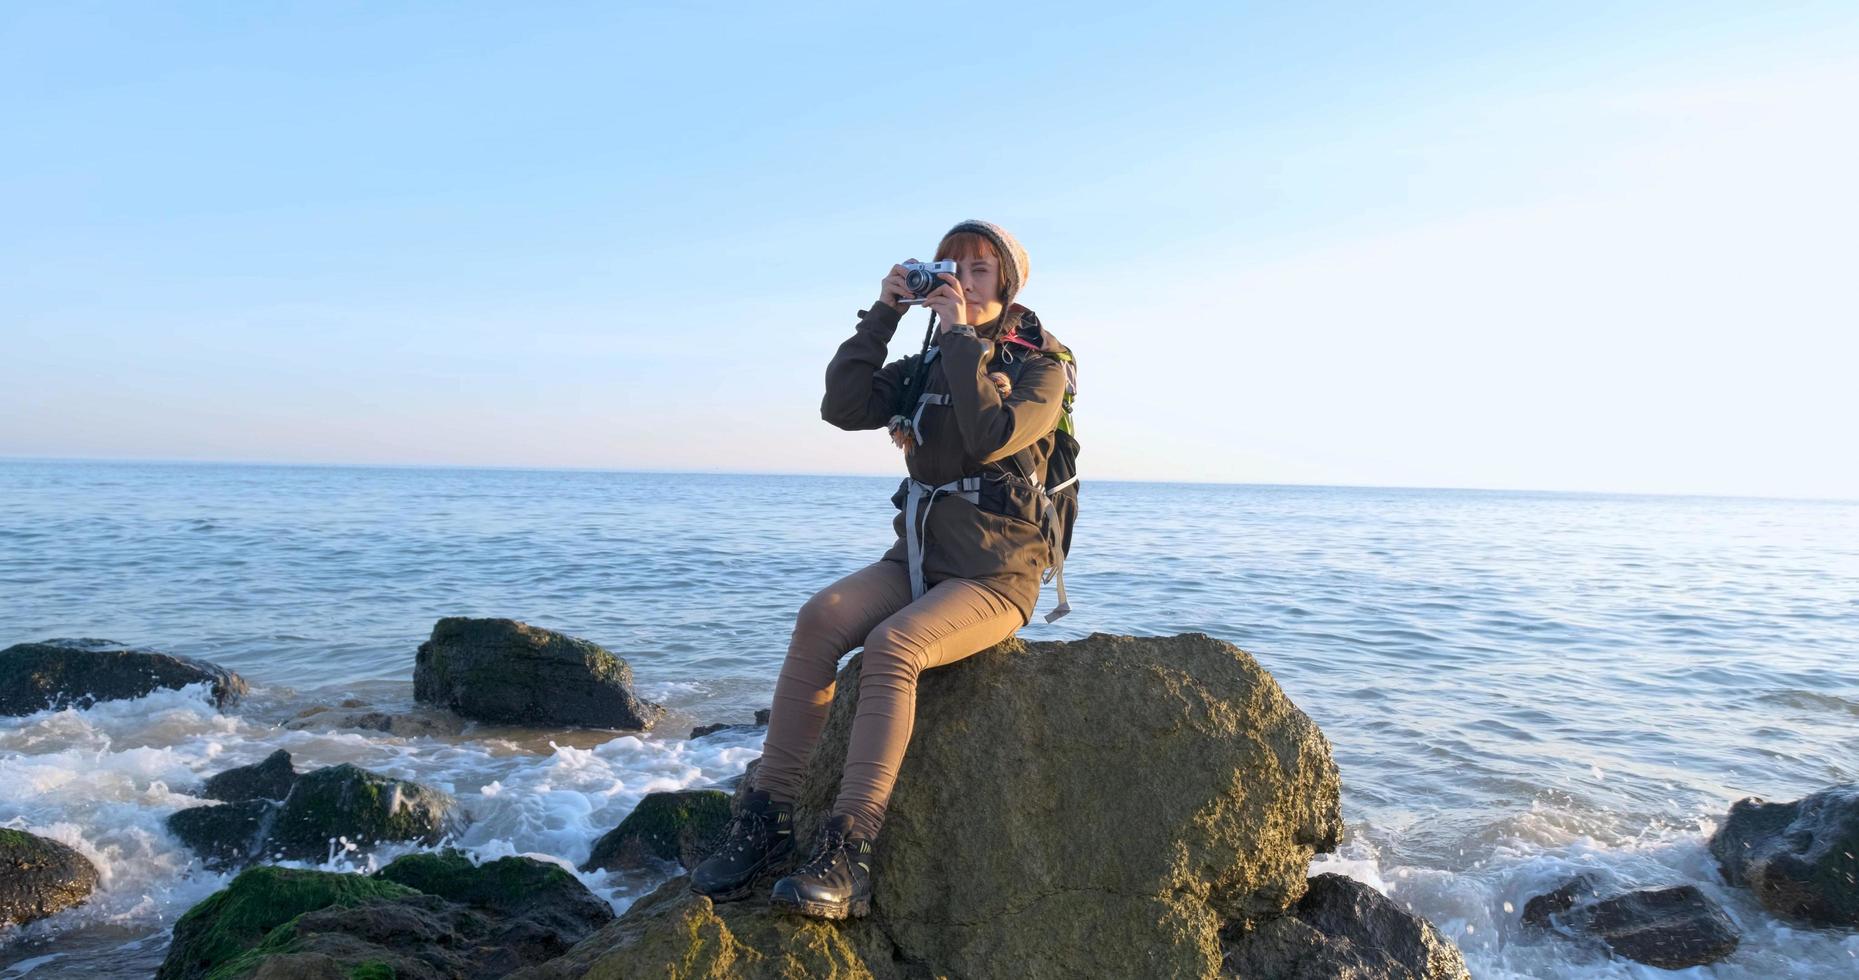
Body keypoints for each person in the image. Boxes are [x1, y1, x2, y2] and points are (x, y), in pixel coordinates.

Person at [688, 219, 1071, 920]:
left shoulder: (1040, 366)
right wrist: (885, 314)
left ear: (1007, 286)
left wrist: (959, 334)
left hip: (996, 577)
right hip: (917, 559)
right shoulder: (925, 362)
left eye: (979, 270)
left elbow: (992, 436)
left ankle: (850, 849)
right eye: (949, 264)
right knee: (821, 617)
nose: (959, 277)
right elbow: (843, 407)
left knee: (896, 646)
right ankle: (767, 823)